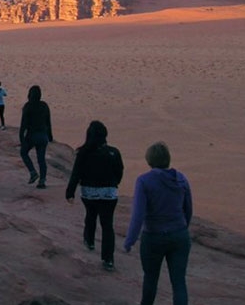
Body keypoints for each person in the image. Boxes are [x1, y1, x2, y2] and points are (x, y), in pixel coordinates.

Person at [124, 142, 193, 305]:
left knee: (150, 280)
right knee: (179, 283)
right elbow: (188, 208)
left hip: (153, 237)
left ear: (149, 160)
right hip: (179, 235)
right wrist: (183, 228)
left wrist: (130, 241)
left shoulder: (144, 181)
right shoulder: (181, 179)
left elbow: (138, 215)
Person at [65, 121, 124, 272]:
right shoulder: (113, 152)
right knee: (107, 225)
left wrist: (70, 192)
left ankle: (89, 240)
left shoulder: (83, 153)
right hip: (109, 193)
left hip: (89, 193)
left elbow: (76, 173)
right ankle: (108, 259)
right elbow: (119, 172)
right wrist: (113, 183)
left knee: (91, 215)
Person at [19, 85, 52, 188]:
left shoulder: (28, 106)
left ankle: (33, 172)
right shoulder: (44, 106)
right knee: (41, 159)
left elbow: (23, 124)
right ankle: (42, 181)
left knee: (23, 152)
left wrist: (22, 138)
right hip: (43, 135)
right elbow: (48, 122)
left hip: (32, 136)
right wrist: (50, 136)